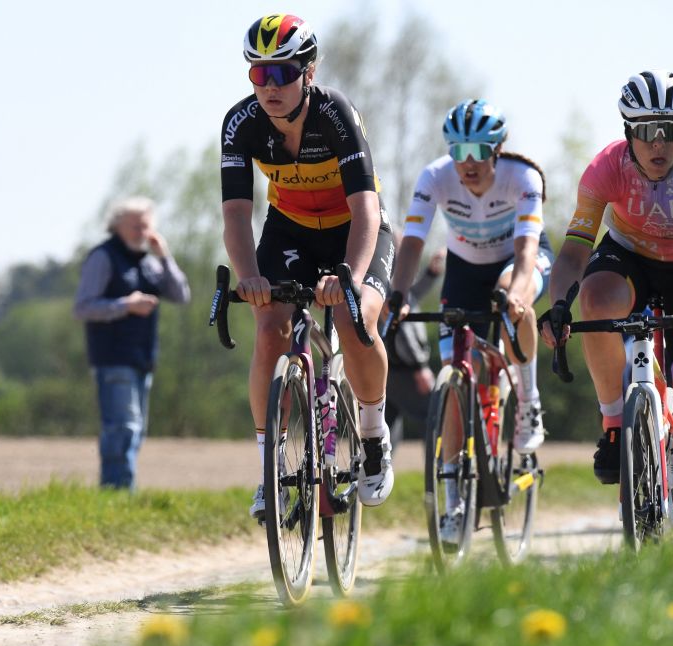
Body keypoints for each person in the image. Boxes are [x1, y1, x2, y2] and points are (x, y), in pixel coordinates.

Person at [220, 14, 396, 519]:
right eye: (259, 74)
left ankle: (372, 431)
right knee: (271, 328)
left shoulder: (336, 114)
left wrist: (351, 277)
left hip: (354, 229)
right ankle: (269, 468)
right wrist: (249, 274)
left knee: (353, 316)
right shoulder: (241, 124)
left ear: (309, 72)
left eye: (283, 73)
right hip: (290, 229)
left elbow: (366, 209)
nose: (269, 87)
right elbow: (236, 213)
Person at [539, 70, 673, 513]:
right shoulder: (606, 167)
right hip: (631, 258)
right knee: (594, 297)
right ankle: (613, 421)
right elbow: (573, 252)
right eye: (647, 132)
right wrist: (557, 306)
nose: (659, 145)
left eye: (671, 131)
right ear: (629, 131)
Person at [391, 99, 554, 541]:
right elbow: (411, 243)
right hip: (464, 271)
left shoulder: (523, 178)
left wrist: (518, 297)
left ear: (497, 150)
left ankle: (529, 401)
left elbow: (525, 252)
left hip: (518, 261)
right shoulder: (435, 177)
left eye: (479, 151)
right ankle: (455, 501)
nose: (467, 162)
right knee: (454, 375)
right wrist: (398, 294)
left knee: (509, 294)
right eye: (458, 150)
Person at [74, 196, 191, 489]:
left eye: (146, 225)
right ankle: (116, 492)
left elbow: (180, 295)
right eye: (135, 225)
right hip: (112, 357)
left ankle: (121, 492)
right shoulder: (103, 257)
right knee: (122, 428)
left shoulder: (150, 262)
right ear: (116, 226)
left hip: (142, 357)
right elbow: (83, 307)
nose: (141, 231)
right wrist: (126, 304)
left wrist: (165, 257)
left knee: (136, 431)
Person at [384, 248, 444, 443]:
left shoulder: (386, 286)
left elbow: (415, 293)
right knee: (433, 416)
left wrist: (431, 273)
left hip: (389, 369)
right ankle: (439, 471)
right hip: (407, 371)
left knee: (385, 425)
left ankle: (378, 471)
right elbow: (404, 332)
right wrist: (420, 368)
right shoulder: (394, 291)